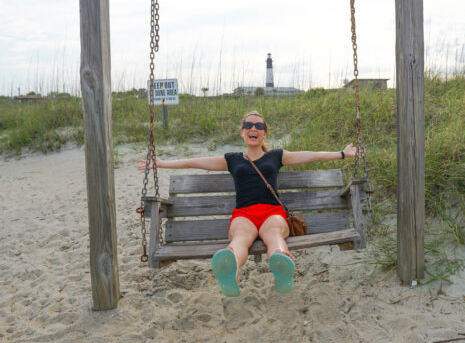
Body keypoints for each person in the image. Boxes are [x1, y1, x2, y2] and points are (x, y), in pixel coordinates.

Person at [137, 110, 358, 297]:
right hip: (244, 214)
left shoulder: (277, 156)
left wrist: (341, 154)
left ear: (264, 133)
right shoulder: (231, 159)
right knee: (240, 238)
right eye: (248, 125)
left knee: (274, 235)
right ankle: (230, 270)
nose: (254, 127)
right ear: (243, 132)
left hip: (273, 212)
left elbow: (310, 155)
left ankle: (282, 264)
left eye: (259, 125)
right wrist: (163, 164)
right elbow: (195, 161)